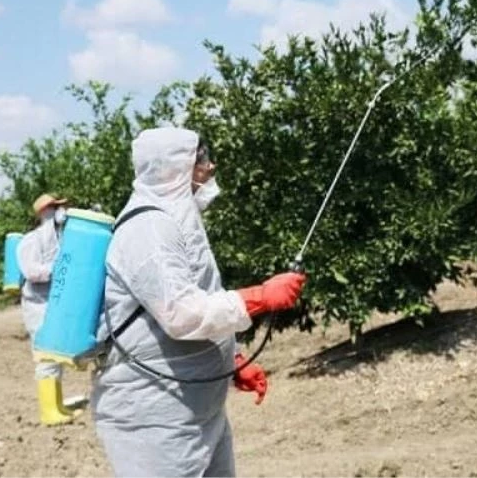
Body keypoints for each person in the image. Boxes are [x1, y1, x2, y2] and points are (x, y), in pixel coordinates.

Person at [91, 126, 306, 477]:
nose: (210, 167)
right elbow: (182, 313)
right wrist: (260, 296)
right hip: (155, 420)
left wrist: (232, 360)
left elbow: (203, 292)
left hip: (198, 412)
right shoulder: (149, 228)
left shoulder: (179, 219)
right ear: (174, 167)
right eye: (201, 159)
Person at [17, 193, 80, 426]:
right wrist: (58, 268)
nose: (61, 211)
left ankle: (57, 405)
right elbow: (31, 272)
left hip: (52, 304)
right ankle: (48, 411)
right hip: (37, 306)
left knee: (55, 355)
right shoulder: (31, 241)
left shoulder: (58, 239)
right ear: (45, 211)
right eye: (56, 207)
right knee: (45, 357)